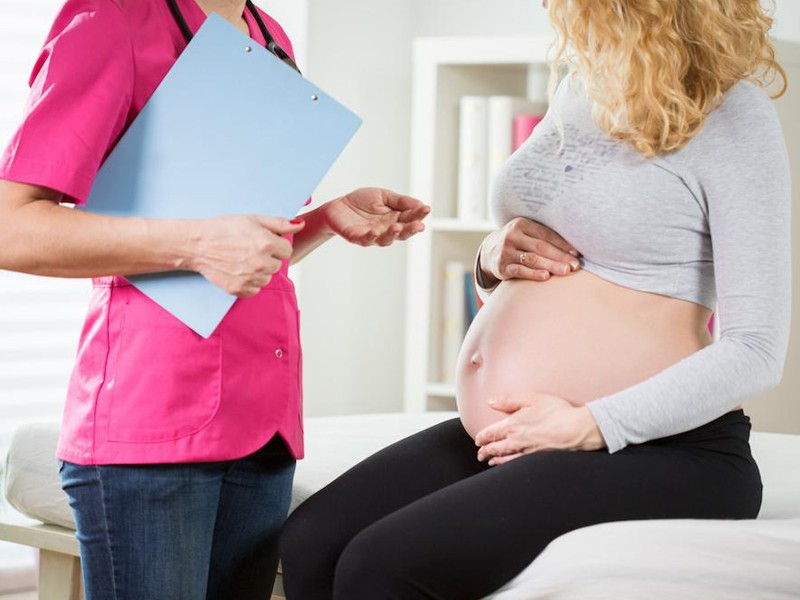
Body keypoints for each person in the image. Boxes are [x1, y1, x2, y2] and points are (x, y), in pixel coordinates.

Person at [279, 0, 791, 598]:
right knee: (311, 541)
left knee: (382, 563)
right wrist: (491, 258)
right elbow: (559, 260)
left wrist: (589, 424)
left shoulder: (731, 112)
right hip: (522, 430)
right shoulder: (581, 82)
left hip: (662, 447)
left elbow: (757, 348)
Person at [0, 0, 429, 598]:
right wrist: (197, 244)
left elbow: (236, 249)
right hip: (153, 420)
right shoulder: (112, 18)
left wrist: (324, 220)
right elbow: (12, 228)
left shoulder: (267, 33)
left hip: (264, 422)